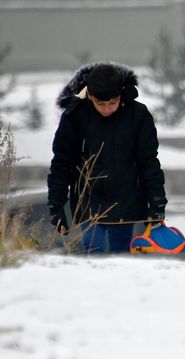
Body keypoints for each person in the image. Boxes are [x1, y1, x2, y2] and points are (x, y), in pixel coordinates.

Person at [48, 62, 167, 253]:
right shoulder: (74, 117)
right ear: (89, 96)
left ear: (121, 94)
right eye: (100, 104)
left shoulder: (138, 115)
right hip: (88, 203)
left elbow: (148, 162)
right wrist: (56, 205)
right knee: (95, 254)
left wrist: (157, 202)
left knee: (121, 258)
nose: (107, 109)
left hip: (126, 202)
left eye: (113, 102)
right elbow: (62, 163)